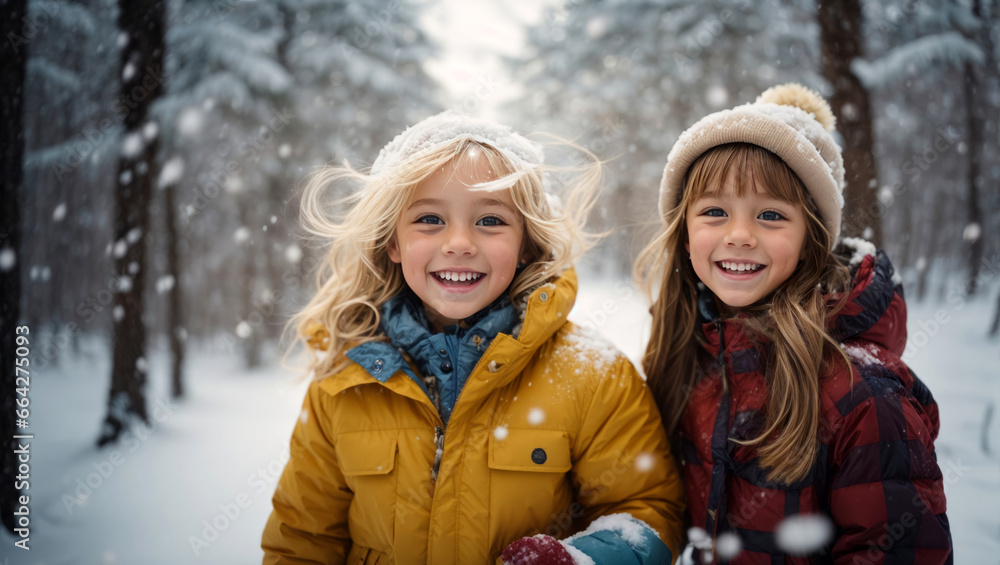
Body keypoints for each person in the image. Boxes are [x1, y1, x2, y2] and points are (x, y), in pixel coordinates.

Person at [261, 111, 685, 565]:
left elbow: (651, 513)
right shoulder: (346, 382)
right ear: (393, 242)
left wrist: (582, 560)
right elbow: (302, 539)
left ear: (526, 244)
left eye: (489, 221)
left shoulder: (593, 376)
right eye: (429, 219)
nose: (459, 242)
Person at [635, 84, 952, 563]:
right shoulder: (690, 358)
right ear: (683, 233)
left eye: (770, 215)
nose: (739, 235)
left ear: (811, 240)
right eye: (715, 211)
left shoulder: (864, 394)